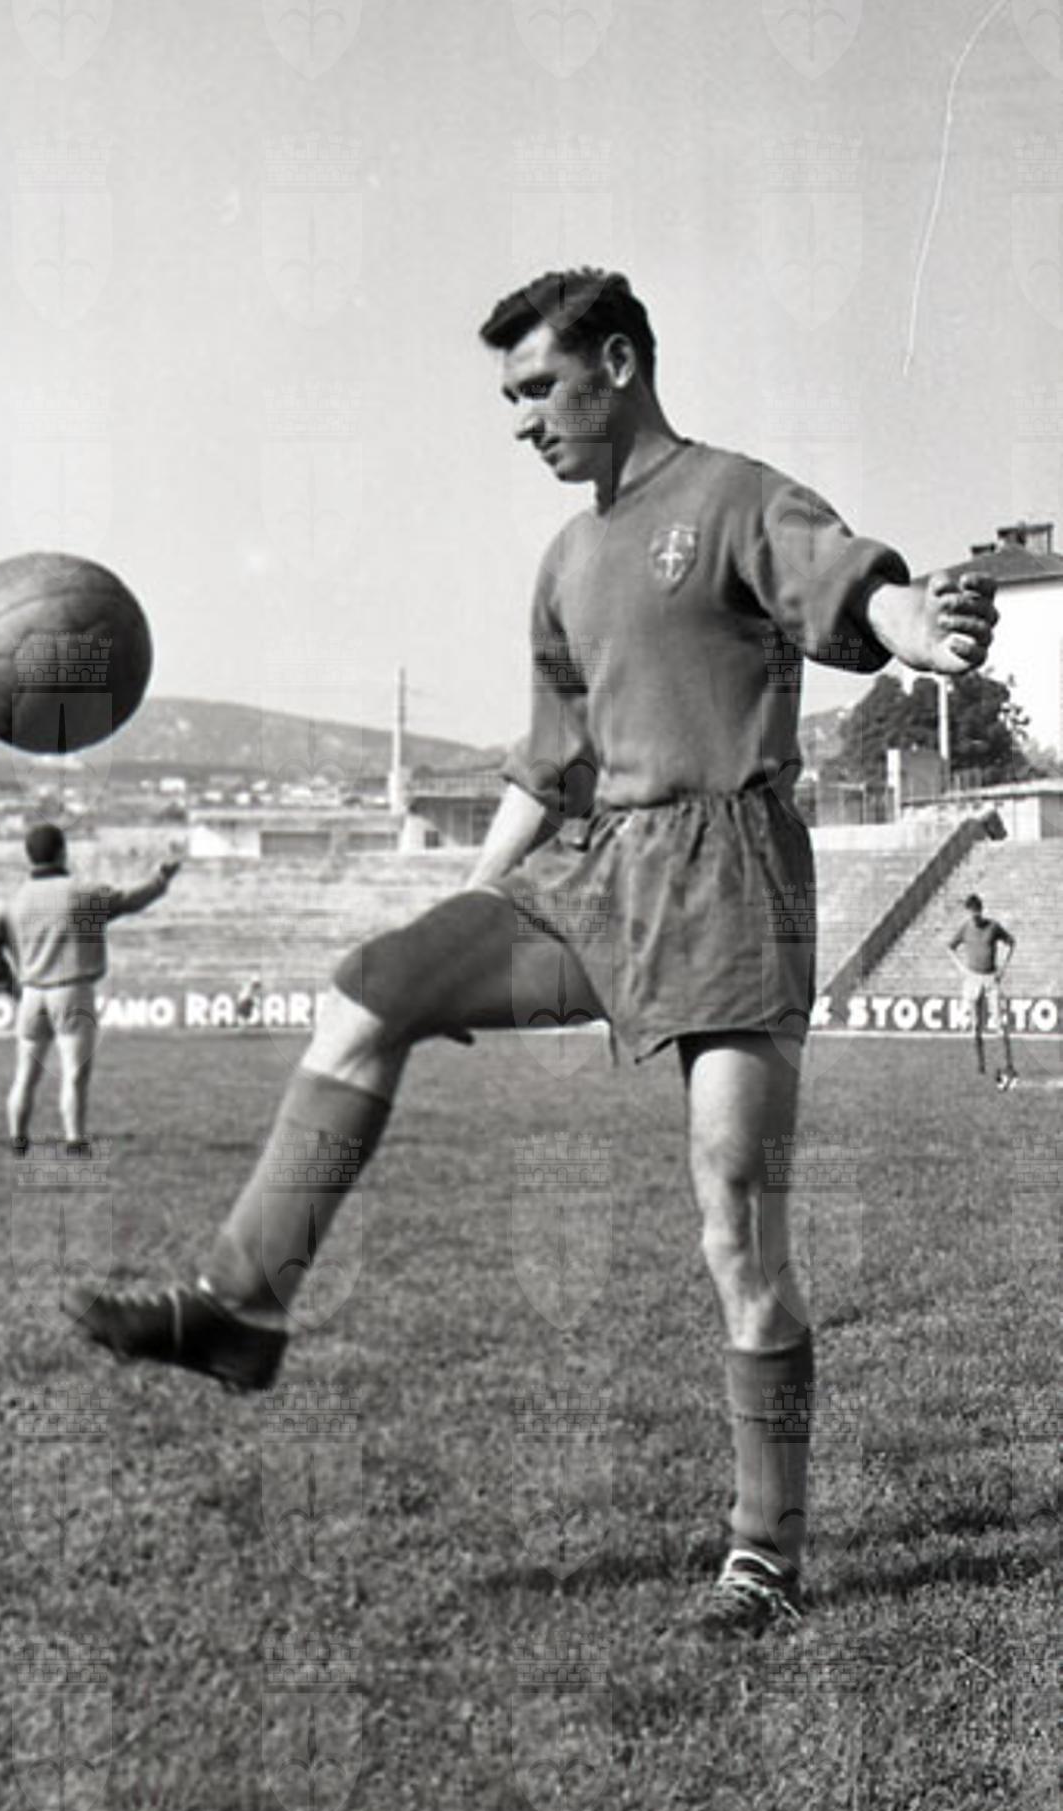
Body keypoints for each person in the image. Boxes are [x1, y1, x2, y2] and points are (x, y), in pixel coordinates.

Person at [66, 268, 996, 1635]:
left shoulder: (736, 496)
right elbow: (552, 764)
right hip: (599, 874)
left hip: (731, 880)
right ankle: (240, 1307)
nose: (521, 421)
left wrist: (932, 633)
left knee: (734, 1221)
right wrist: (461, 914)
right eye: (510, 398)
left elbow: (858, 590)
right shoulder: (564, 561)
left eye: (538, 388)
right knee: (373, 988)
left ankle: (764, 1553)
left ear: (615, 364)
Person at [0, 823, 180, 1154]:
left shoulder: (11, 902)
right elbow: (129, 901)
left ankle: (18, 1139)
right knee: (74, 1072)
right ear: (62, 852)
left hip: (31, 992)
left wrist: (9, 986)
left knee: (25, 1074)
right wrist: (160, 880)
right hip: (72, 990)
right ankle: (74, 1140)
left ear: (30, 857)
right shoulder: (83, 895)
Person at [948, 892, 1016, 1082]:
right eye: (971, 912)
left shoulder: (993, 927)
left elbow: (1011, 943)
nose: (974, 915)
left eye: (976, 911)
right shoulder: (965, 928)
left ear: (981, 910)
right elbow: (950, 947)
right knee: (976, 1024)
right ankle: (980, 1065)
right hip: (972, 979)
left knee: (999, 1023)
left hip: (991, 979)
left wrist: (1003, 967)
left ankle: (1008, 1065)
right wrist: (960, 968)